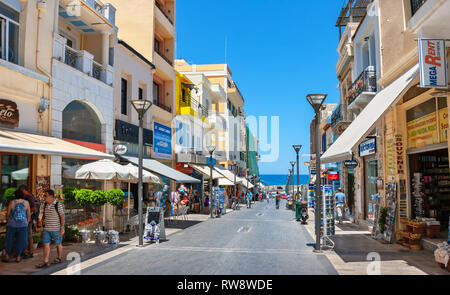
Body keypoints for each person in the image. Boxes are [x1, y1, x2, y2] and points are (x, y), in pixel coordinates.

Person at [36, 189, 65, 268]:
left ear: (51, 196)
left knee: (58, 243)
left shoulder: (58, 204)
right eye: (44, 196)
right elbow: (43, 215)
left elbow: (62, 216)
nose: (44, 197)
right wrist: (41, 221)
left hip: (56, 229)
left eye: (46, 196)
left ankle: (59, 257)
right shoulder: (45, 204)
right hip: (47, 229)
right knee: (46, 244)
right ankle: (45, 261)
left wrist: (62, 227)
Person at [2, 189, 31, 263]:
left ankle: (7, 256)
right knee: (21, 240)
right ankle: (18, 257)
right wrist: (26, 223)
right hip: (23, 224)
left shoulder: (12, 202)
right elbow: (28, 215)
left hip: (12, 224)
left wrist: (8, 221)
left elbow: (8, 214)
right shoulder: (26, 203)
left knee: (9, 240)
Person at [19, 185, 37, 259]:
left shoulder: (29, 197)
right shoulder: (25, 197)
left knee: (29, 235)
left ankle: (30, 252)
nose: (21, 192)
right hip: (26, 219)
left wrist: (27, 212)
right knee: (26, 236)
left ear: (24, 190)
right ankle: (25, 251)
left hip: (28, 220)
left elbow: (34, 208)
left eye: (21, 190)